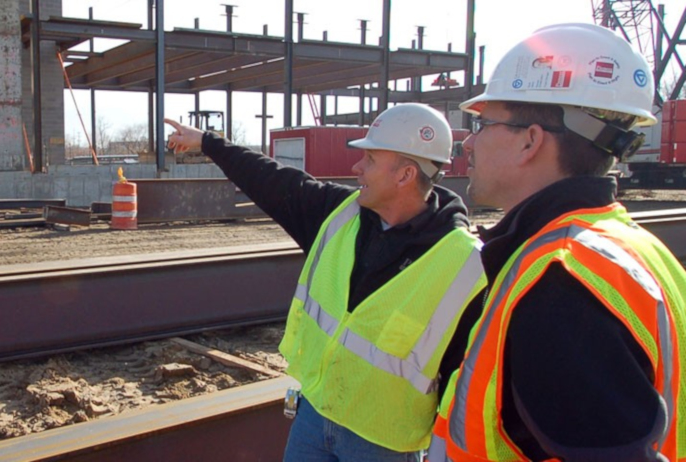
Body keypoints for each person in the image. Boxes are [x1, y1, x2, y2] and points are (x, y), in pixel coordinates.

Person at [166, 103, 487, 461]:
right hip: (315, 415)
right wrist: (209, 143)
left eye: (369, 159)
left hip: (383, 444)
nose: (356, 168)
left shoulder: (463, 263)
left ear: (405, 175)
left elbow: (467, 383)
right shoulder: (341, 215)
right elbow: (272, 179)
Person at [428, 23, 686, 462]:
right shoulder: (629, 243)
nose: (468, 143)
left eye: (483, 124)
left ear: (530, 140)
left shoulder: (559, 282)